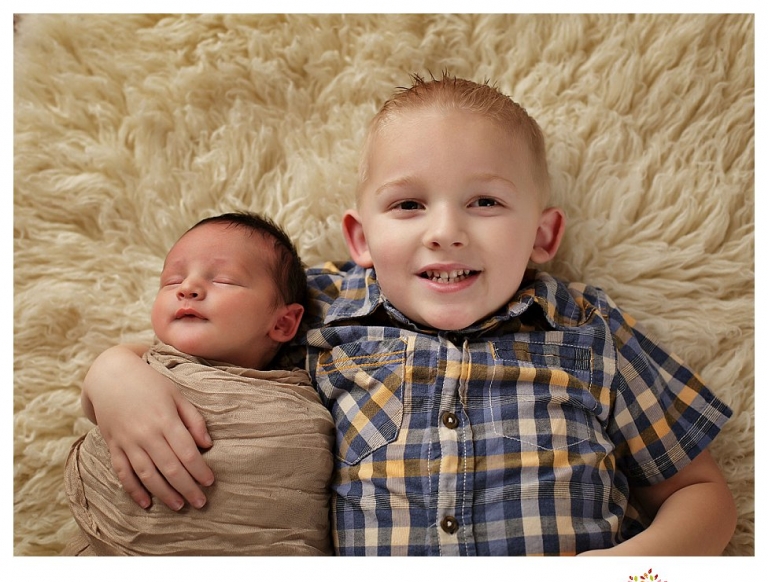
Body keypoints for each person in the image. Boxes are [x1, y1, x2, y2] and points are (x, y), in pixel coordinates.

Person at [81, 75, 737, 556]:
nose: (446, 231)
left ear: (543, 235)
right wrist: (114, 374)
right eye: (407, 206)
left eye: (483, 201)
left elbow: (701, 493)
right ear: (360, 240)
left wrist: (620, 574)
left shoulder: (585, 328)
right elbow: (195, 334)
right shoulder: (324, 310)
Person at [65, 212, 335, 555]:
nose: (187, 288)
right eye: (171, 280)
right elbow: (96, 400)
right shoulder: (137, 365)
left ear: (282, 322)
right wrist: (113, 370)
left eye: (224, 279)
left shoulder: (299, 400)